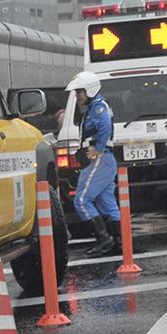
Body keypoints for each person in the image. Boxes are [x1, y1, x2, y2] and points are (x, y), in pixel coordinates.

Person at [69, 71, 120, 257]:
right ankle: (118, 242)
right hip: (105, 159)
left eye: (79, 92)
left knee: (82, 200)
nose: (77, 95)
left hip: (99, 158)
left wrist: (97, 149)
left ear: (89, 90)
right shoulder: (95, 107)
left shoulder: (98, 107)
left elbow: (105, 127)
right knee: (107, 202)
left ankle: (104, 240)